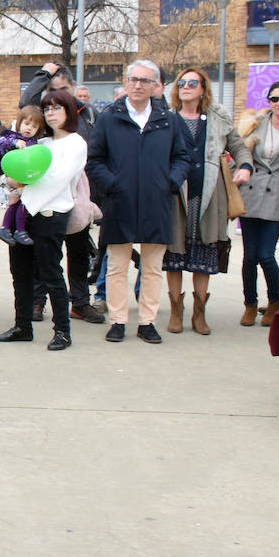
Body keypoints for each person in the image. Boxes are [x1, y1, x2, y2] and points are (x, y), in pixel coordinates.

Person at [86, 59, 191, 344]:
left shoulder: (169, 120)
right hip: (120, 202)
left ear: (156, 85)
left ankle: (147, 322)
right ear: (126, 82)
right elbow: (94, 160)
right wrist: (113, 185)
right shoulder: (110, 117)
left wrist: (170, 182)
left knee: (152, 267)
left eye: (145, 80)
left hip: (157, 202)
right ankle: (118, 320)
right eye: (133, 79)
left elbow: (182, 157)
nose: (137, 85)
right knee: (117, 266)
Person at [0, 90, 88, 351]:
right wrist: (11, 183)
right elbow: (12, 171)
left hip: (50, 216)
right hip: (24, 215)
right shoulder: (42, 143)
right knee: (20, 274)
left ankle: (62, 331)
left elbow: (56, 181)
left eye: (57, 108)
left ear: (69, 111)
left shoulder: (76, 143)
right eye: (47, 109)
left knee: (50, 274)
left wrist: (22, 190)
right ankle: (23, 325)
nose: (50, 113)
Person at [162, 67, 254, 336]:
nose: (186, 86)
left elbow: (237, 145)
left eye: (193, 82)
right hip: (176, 194)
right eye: (182, 83)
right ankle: (176, 312)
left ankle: (199, 314)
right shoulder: (167, 118)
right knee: (175, 251)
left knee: (204, 250)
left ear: (203, 89)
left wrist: (245, 165)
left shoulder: (218, 117)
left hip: (210, 193)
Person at [236, 79, 279, 326]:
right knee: (248, 257)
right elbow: (238, 153)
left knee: (266, 255)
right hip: (250, 194)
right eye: (274, 98)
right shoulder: (253, 124)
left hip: (277, 197)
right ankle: (250, 304)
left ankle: (275, 301)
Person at [0, 105, 48, 247]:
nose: (29, 128)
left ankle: (7, 228)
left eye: (34, 126)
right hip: (14, 178)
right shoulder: (12, 137)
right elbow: (0, 147)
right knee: (19, 203)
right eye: (27, 123)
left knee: (18, 203)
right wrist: (14, 143)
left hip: (26, 179)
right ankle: (19, 230)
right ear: (19, 122)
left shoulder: (34, 143)